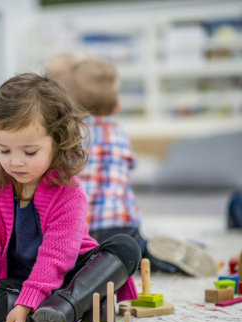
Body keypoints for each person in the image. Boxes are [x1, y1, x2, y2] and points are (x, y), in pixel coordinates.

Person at [0, 73, 141, 322]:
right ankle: (77, 309)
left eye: (29, 152)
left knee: (126, 248)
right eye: (5, 150)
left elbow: (56, 258)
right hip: (19, 280)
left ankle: (63, 308)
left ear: (57, 141)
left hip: (69, 276)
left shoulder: (69, 192)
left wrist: (24, 305)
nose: (16, 162)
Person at [65, 58, 216, 276]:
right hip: (122, 227)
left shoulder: (69, 136)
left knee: (85, 260)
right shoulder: (119, 133)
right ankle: (157, 255)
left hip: (80, 231)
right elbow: (126, 174)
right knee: (134, 248)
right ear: (117, 105)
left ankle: (104, 262)